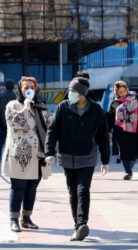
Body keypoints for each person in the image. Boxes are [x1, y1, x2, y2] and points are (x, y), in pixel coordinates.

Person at [45, 77, 110, 241]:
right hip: (67, 156)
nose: (70, 93)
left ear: (82, 93)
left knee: (83, 190)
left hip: (87, 157)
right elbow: (53, 131)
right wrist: (49, 152)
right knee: (73, 193)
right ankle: (78, 226)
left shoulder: (96, 110)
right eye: (70, 90)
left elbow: (103, 135)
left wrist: (105, 159)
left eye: (73, 91)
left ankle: (82, 224)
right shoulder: (63, 107)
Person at [2, 76, 52, 232]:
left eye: (32, 86)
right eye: (25, 87)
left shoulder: (40, 105)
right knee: (18, 187)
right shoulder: (13, 104)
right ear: (20, 89)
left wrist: (49, 122)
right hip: (20, 154)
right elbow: (15, 123)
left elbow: (46, 124)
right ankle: (14, 219)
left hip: (38, 152)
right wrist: (25, 107)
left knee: (32, 187)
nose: (29, 89)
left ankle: (27, 217)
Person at [108, 80, 138, 180]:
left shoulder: (135, 97)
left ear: (127, 89)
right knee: (123, 151)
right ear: (116, 93)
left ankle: (130, 168)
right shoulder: (115, 102)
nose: (122, 94)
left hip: (136, 129)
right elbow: (111, 116)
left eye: (123, 91)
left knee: (136, 151)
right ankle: (127, 171)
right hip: (120, 131)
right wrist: (108, 129)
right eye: (120, 92)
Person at [0, 80, 16, 163]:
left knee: (0, 141)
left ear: (5, 87)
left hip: (2, 122)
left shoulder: (0, 95)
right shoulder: (16, 96)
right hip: (13, 122)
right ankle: (11, 159)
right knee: (13, 141)